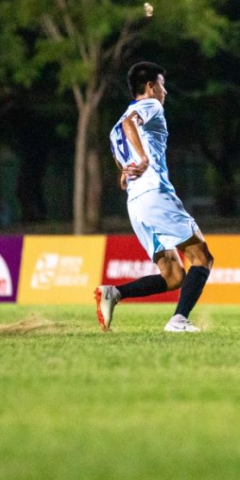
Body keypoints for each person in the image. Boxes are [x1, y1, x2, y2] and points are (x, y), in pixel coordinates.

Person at [95, 62, 213, 333]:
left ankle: (113, 294)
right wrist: (145, 159)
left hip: (136, 205)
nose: (165, 92)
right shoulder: (151, 105)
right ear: (150, 87)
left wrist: (126, 172)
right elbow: (130, 124)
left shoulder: (113, 128)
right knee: (202, 257)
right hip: (155, 195)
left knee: (173, 276)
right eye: (162, 85)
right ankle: (179, 320)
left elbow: (122, 163)